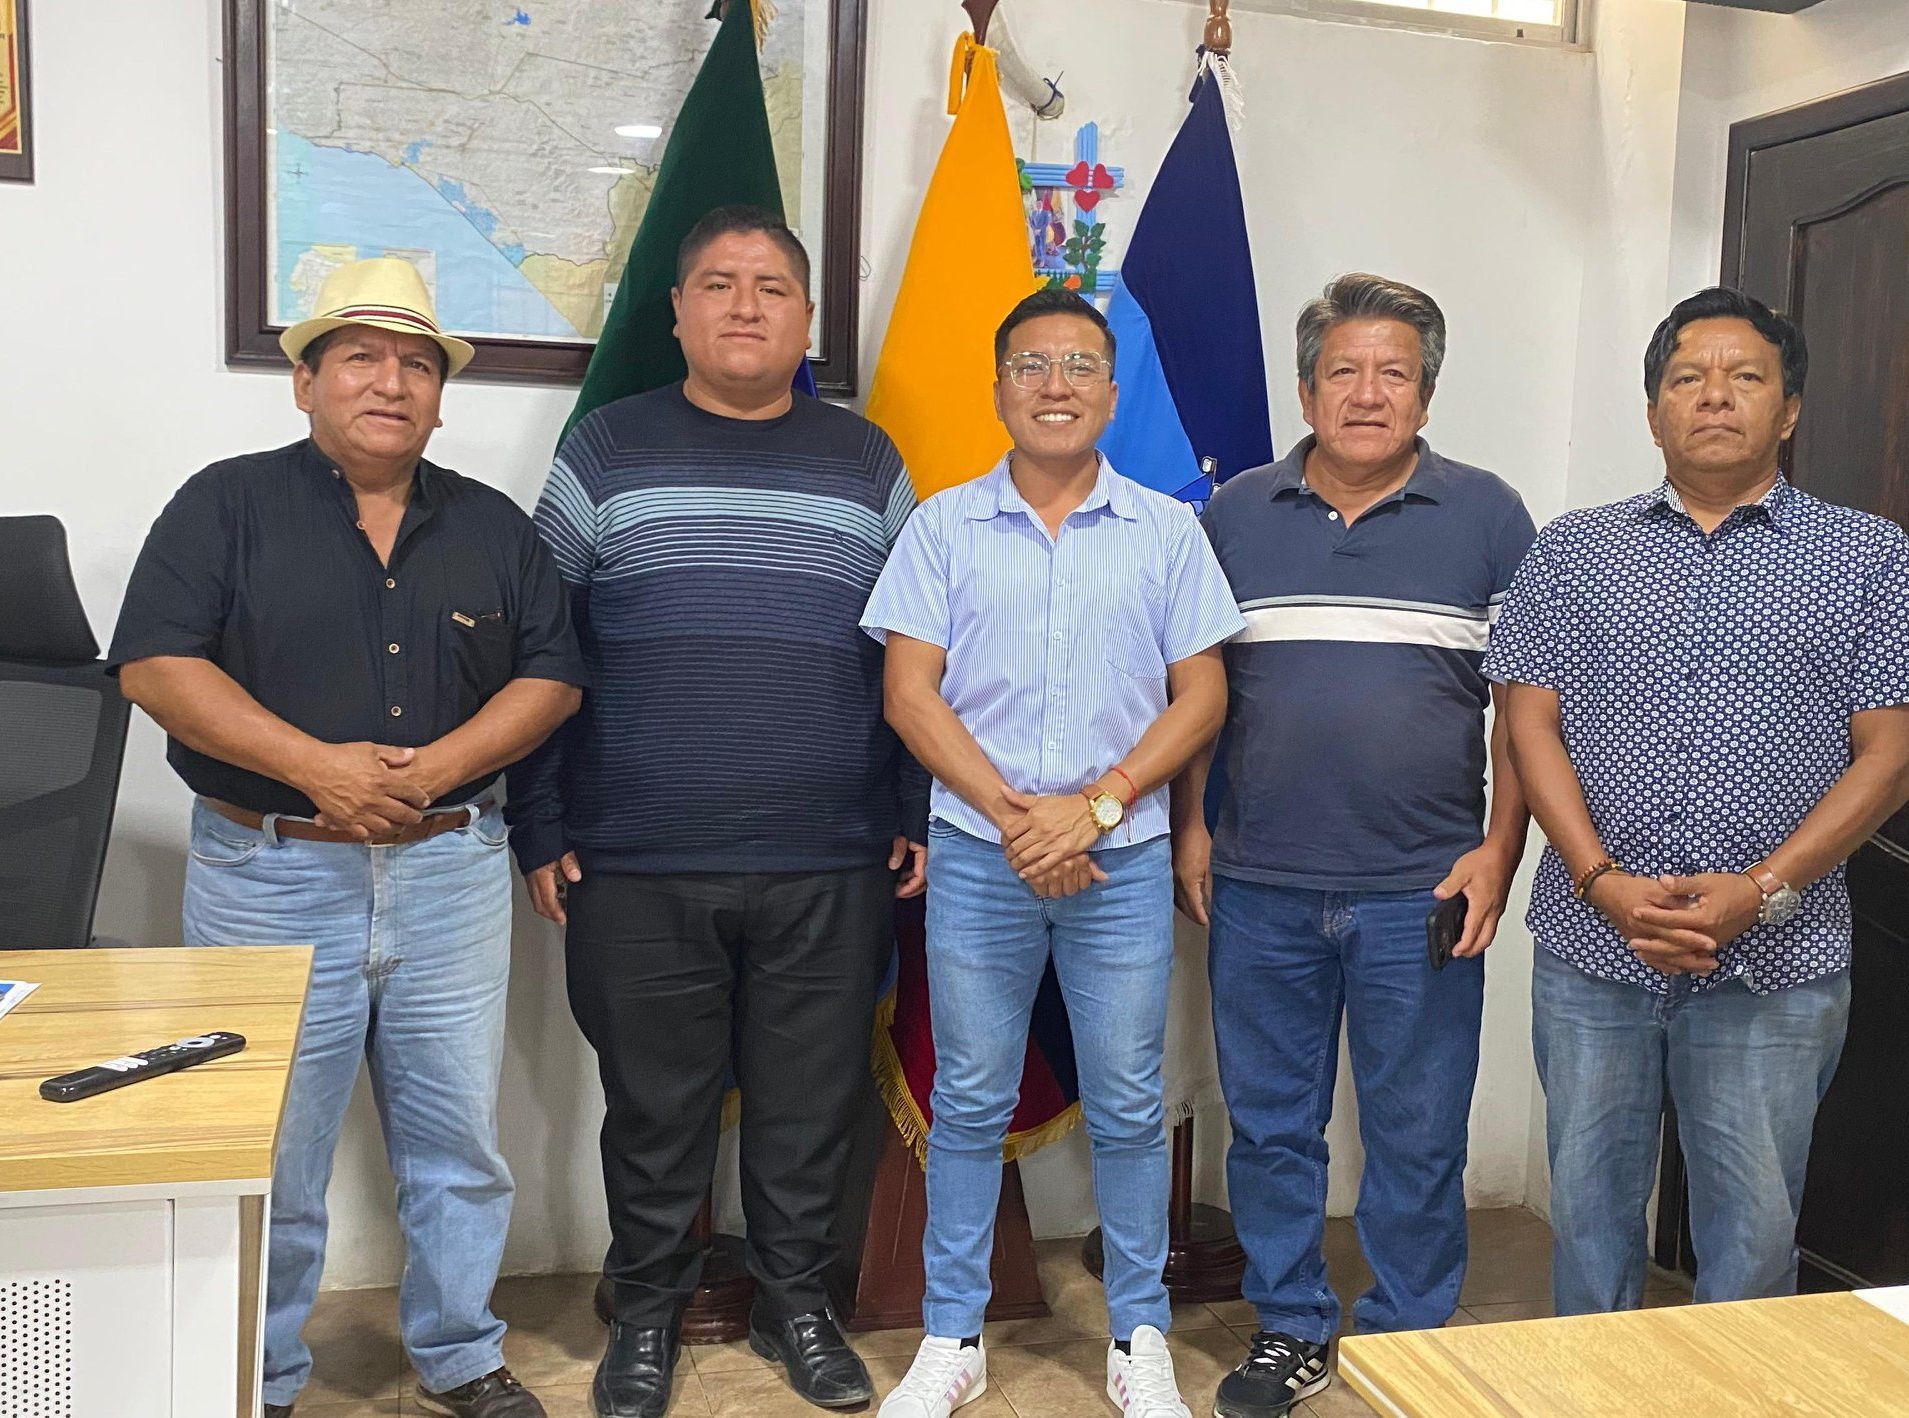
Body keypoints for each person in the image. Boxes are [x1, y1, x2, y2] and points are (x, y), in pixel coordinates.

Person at [108, 257, 585, 1418]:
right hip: (268, 873)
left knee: (458, 1142)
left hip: (448, 873)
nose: (391, 381)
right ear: (305, 383)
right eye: (361, 357)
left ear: (439, 397)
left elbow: (553, 673)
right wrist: (314, 765)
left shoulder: (490, 526)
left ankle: (460, 1351)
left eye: (416, 364)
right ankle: (259, 1371)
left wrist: (442, 766)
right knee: (268, 1146)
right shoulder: (223, 505)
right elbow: (155, 664)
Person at [508, 205, 927, 1418]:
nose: (746, 306)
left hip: (831, 853)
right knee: (654, 1108)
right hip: (634, 856)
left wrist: (910, 801)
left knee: (808, 1104)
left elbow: (917, 648)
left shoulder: (868, 461)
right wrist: (539, 820)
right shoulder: (605, 447)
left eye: (771, 287)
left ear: (806, 318)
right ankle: (644, 1311)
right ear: (678, 311)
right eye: (719, 284)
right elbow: (542, 646)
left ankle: (797, 1302)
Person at [1483, 287, 1909, 1315]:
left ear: (1788, 410)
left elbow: (1893, 759)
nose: (1713, 397)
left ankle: (1736, 1389)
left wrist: (1762, 889)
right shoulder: (1571, 548)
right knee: (1589, 1216)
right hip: (1593, 948)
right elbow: (1527, 724)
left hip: (1774, 961)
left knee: (1752, 1232)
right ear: (1652, 411)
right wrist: (1600, 880)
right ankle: (1591, 1385)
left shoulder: (1866, 554)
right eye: (1686, 378)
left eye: (1745, 377)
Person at [864, 287, 1246, 1418]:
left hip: (1118, 861)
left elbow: (1203, 694)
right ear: (998, 390)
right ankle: (952, 1336)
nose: (1056, 385)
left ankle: (1138, 1335)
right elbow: (908, 692)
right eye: (1031, 365)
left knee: (1127, 1101)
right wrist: (1021, 817)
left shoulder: (1167, 531)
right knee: (969, 1099)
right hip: (979, 857)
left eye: (1079, 365)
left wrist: (1096, 806)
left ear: (1112, 394)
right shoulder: (942, 526)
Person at [1177, 274, 1536, 1418]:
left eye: (1393, 372)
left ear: (1425, 394)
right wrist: (1190, 823)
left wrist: (1500, 849)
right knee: (1270, 1127)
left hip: (1421, 889)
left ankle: (1405, 1339)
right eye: (1344, 370)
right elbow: (1194, 690)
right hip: (1259, 884)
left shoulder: (1488, 516)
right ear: (1305, 388)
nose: (1367, 393)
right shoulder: (1233, 513)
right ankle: (1289, 1325)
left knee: (1416, 1131)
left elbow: (1526, 711)